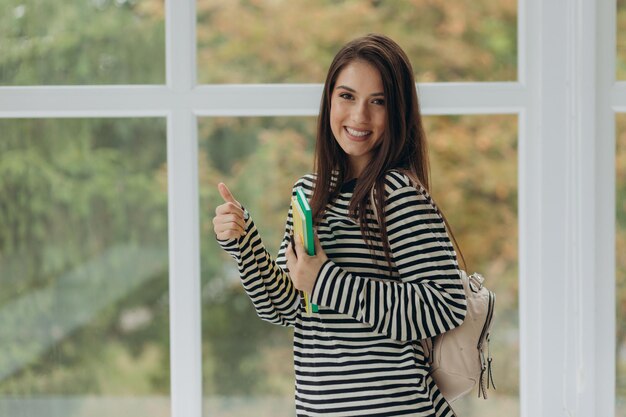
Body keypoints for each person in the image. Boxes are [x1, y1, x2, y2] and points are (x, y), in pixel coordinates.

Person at [213, 33, 467, 417]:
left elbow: (443, 306)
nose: (359, 117)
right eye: (347, 96)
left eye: (378, 102)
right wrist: (243, 240)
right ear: (329, 100)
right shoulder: (309, 192)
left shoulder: (399, 194)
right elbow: (286, 308)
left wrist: (326, 281)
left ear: (397, 112)